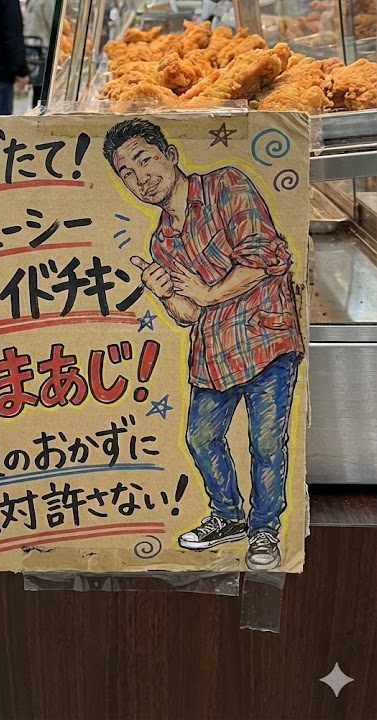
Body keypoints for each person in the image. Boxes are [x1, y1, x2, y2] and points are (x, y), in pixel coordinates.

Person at [103, 118, 304, 570]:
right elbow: (188, 314)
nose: (141, 178)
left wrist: (208, 294)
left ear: (170, 155)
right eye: (127, 173)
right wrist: (164, 293)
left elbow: (265, 258)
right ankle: (228, 516)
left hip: (266, 336)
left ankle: (265, 529)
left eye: (145, 160)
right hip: (215, 352)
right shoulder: (161, 241)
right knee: (200, 436)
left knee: (266, 443)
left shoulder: (225, 185)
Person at [23, 0, 58, 106]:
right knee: (43, 86)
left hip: (30, 47)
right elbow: (52, 24)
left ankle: (36, 110)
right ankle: (41, 112)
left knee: (36, 86)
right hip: (44, 47)